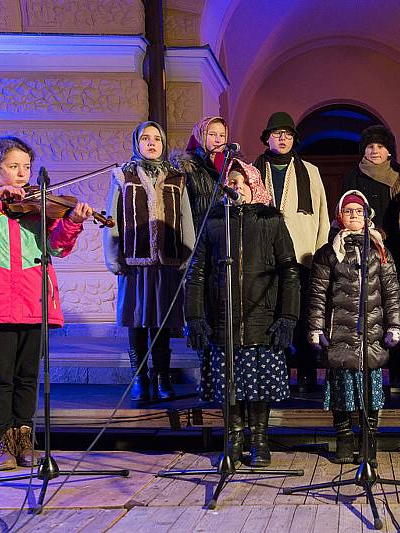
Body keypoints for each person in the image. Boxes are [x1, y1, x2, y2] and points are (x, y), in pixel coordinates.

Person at [0, 136, 93, 470]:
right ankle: (1, 443)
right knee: (0, 377)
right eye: (14, 166)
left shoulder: (38, 206)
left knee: (27, 376)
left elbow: (58, 248)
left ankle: (25, 441)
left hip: (34, 301)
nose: (22, 173)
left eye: (26, 166)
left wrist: (72, 223)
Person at [185, 159, 300, 466]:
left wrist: (288, 317)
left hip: (261, 317)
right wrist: (195, 317)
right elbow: (196, 273)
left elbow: (289, 271)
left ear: (253, 186)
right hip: (223, 319)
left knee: (258, 383)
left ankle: (260, 440)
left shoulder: (271, 221)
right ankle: (234, 437)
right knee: (229, 383)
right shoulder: (213, 223)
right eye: (230, 183)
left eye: (240, 182)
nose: (235, 187)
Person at [307, 190, 400, 466]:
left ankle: (369, 439)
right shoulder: (329, 252)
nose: (354, 216)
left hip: (371, 334)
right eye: (348, 211)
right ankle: (344, 438)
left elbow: (392, 292)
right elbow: (318, 295)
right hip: (341, 335)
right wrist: (316, 327)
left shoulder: (380, 250)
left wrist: (394, 324)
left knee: (370, 393)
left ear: (367, 214)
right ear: (340, 216)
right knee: (342, 392)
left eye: (358, 211)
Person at [104, 121, 196, 402]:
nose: (152, 143)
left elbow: (186, 219)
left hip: (166, 261)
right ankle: (140, 378)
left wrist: (187, 254)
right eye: (146, 138)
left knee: (162, 323)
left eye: (157, 138)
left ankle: (162, 377)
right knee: (137, 320)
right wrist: (113, 257)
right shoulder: (124, 176)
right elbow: (112, 220)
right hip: (134, 261)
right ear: (137, 143)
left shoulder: (176, 177)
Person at [253, 111, 330, 393]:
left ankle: (307, 372)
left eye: (287, 134)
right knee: (273, 316)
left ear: (294, 139)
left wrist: (320, 251)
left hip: (302, 255)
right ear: (267, 138)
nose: (282, 138)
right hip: (265, 258)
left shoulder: (310, 170)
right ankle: (279, 372)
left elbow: (322, 212)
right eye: (277, 133)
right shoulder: (253, 170)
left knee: (302, 316)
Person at [341, 125, 400, 392]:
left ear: (389, 150)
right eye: (370, 146)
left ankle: (395, 371)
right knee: (363, 310)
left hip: (392, 251)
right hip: (361, 250)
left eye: (380, 146)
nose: (375, 151)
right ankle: (364, 373)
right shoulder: (352, 177)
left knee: (392, 311)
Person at [176, 116, 228, 228]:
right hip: (199, 228)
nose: (218, 140)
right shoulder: (188, 166)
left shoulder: (230, 163)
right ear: (201, 136)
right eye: (212, 134)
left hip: (225, 228)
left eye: (222, 135)